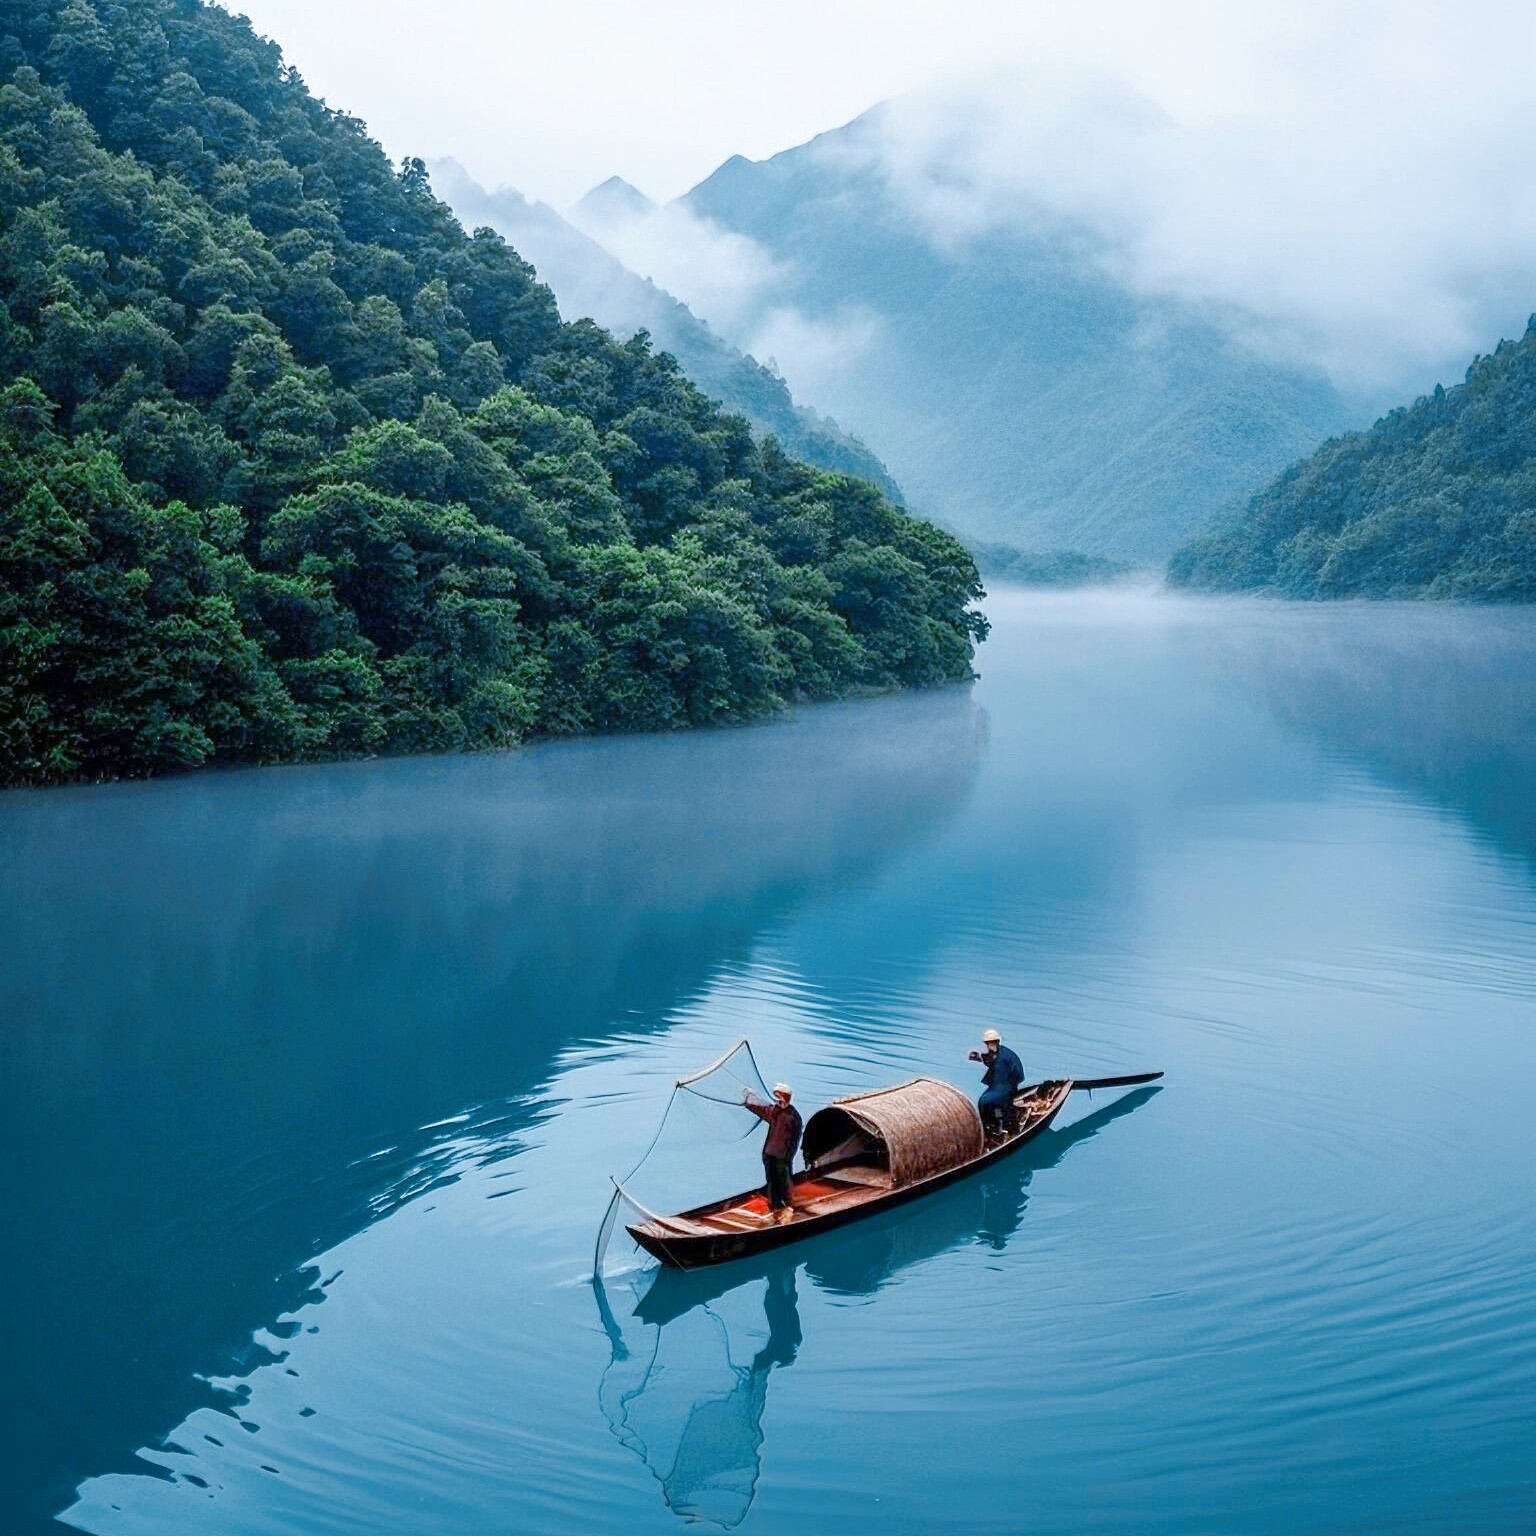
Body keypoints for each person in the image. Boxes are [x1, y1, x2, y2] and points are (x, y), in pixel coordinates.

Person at [743, 1083, 803, 1223]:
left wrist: (789, 1156)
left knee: (784, 1181)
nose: (778, 1100)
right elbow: (762, 1110)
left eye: (780, 1097)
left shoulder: (793, 1117)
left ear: (787, 1098)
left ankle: (788, 1206)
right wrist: (748, 1103)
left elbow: (794, 1139)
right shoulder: (775, 1112)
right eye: (776, 1098)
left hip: (783, 1156)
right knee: (772, 1181)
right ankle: (775, 1207)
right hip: (770, 1153)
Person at [969, 1028, 1024, 1140]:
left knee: (988, 1100)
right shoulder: (997, 1052)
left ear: (996, 1042)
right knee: (983, 1101)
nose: (990, 1044)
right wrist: (978, 1058)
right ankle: (993, 1125)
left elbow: (1004, 1072)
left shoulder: (1005, 1056)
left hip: (1007, 1084)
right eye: (989, 1042)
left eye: (992, 1042)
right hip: (999, 1084)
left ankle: (1010, 1128)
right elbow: (990, 1060)